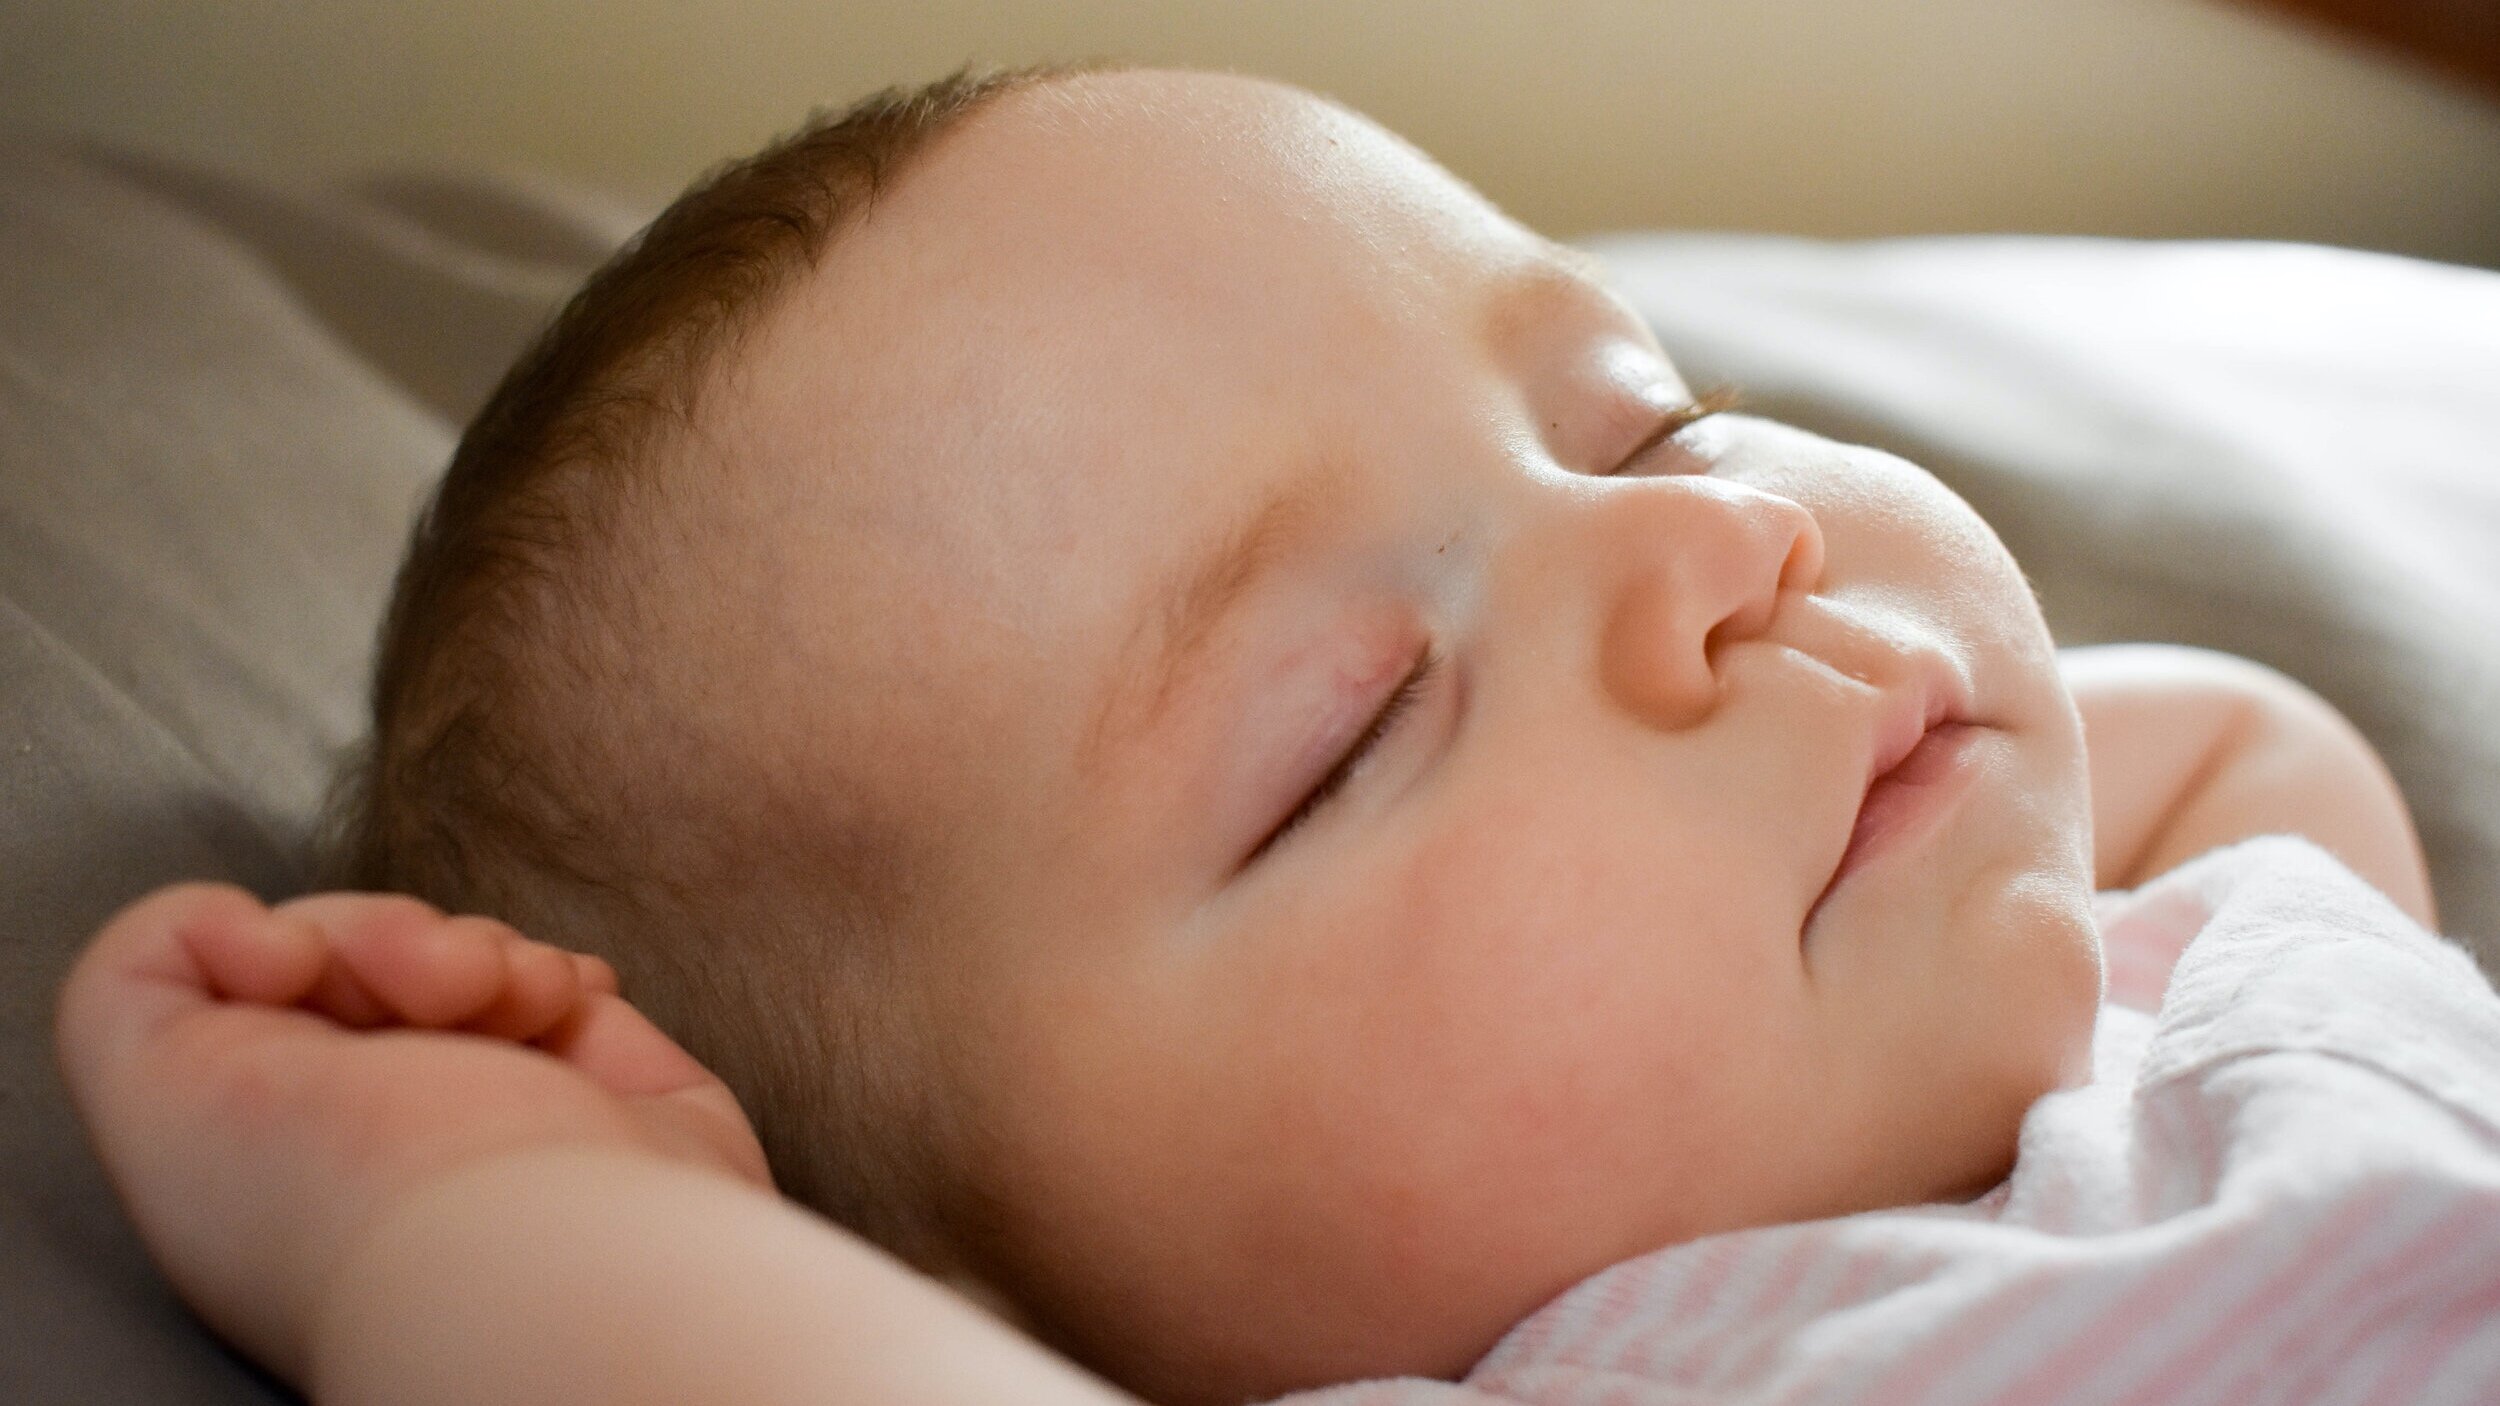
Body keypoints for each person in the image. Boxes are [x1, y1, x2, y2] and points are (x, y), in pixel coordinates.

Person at [54, 63, 2464, 1406]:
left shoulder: (2177, 976)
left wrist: (1949, 758)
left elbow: (2227, 765)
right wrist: (468, 1213)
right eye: (1355, 724)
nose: (1712, 557)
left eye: (1642, 424)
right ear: (977, 1293)